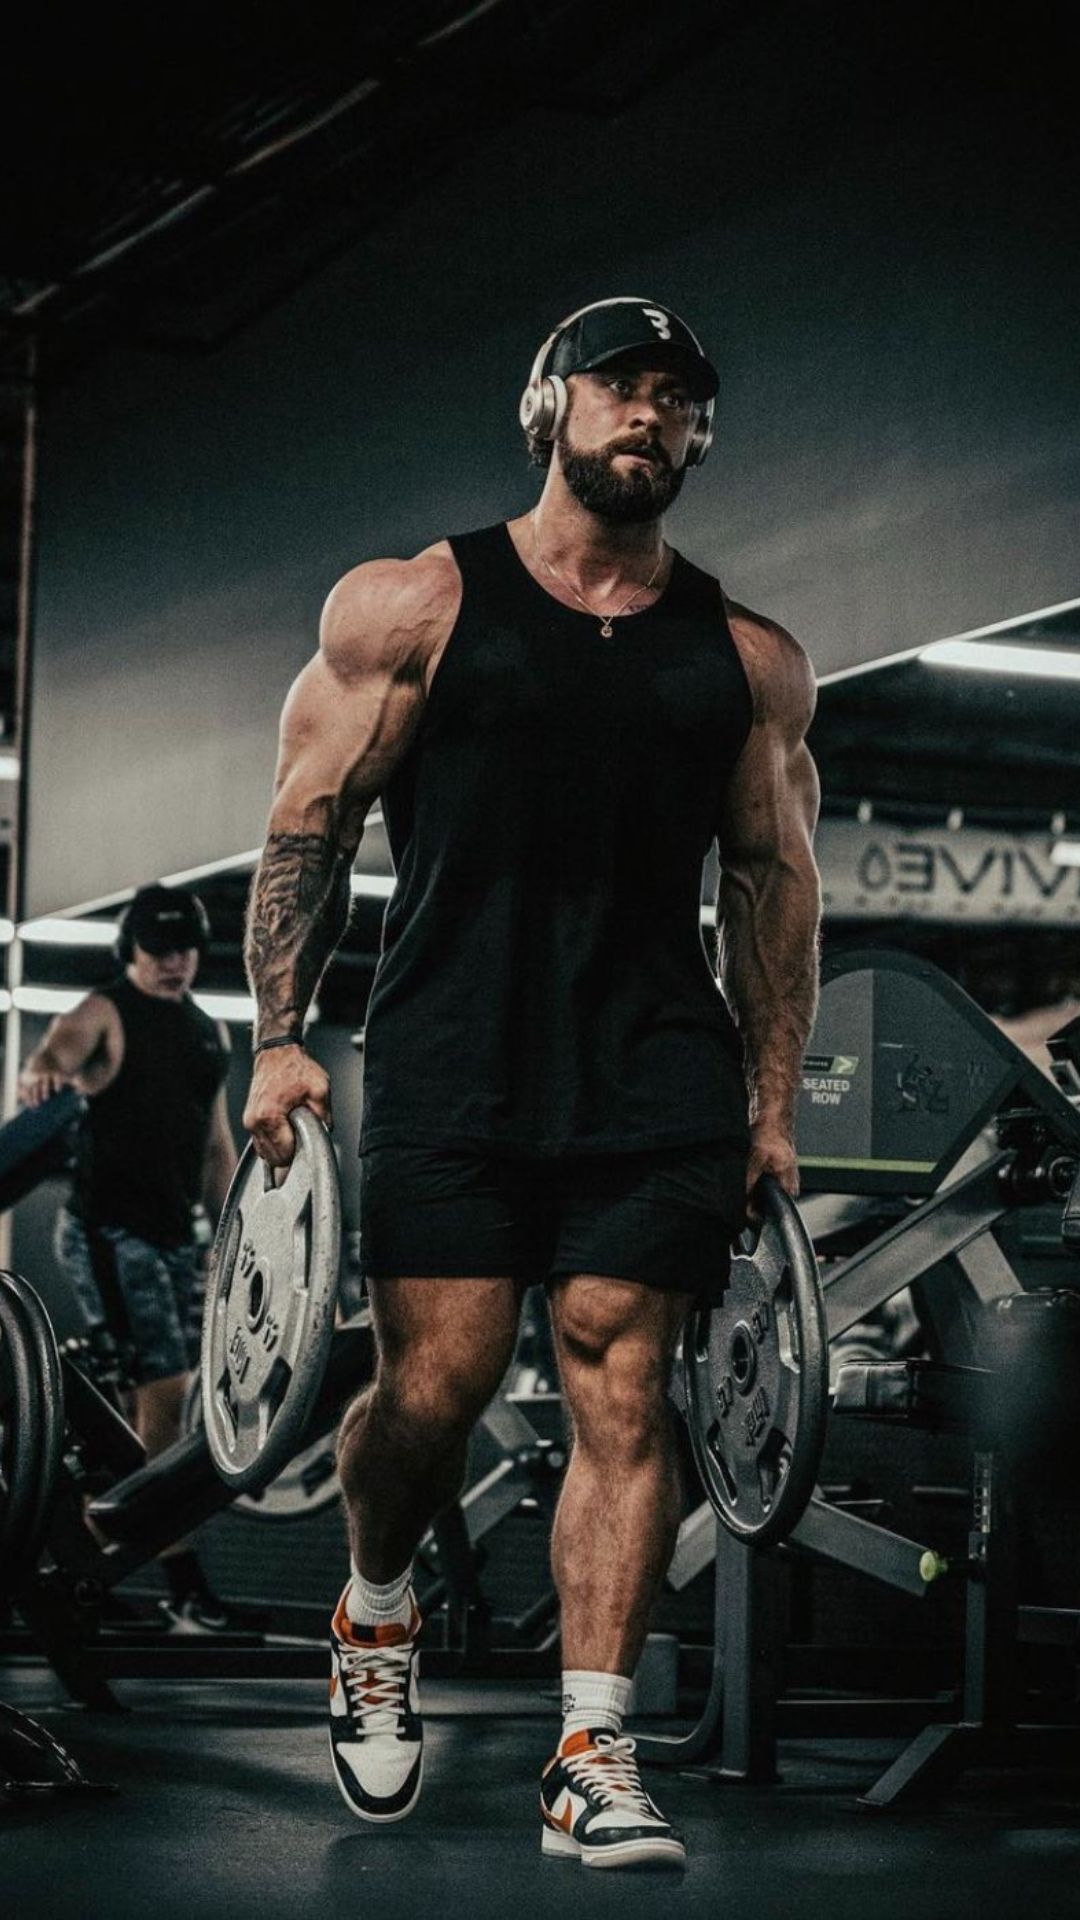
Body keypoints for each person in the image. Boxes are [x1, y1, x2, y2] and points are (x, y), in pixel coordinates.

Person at [243, 296, 821, 1865]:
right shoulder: (415, 606)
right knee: (433, 1387)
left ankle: (592, 1742)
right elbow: (309, 821)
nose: (652, 416)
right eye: (622, 388)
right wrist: (280, 1035)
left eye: (679, 402)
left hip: (652, 1070)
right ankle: (375, 1610)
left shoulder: (747, 661)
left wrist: (771, 1104)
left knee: (623, 1385)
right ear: (549, 408)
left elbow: (778, 890)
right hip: (450, 1046)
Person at [18, 882, 239, 1629]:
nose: (173, 963)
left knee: (162, 1404)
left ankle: (101, 1550)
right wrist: (41, 1072)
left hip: (176, 1236)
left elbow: (215, 1146)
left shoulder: (211, 1032)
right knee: (165, 1399)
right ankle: (174, 1580)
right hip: (109, 1231)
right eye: (158, 950)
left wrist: (242, 1234)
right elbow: (57, 1051)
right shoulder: (104, 1010)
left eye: (184, 950)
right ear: (132, 949)